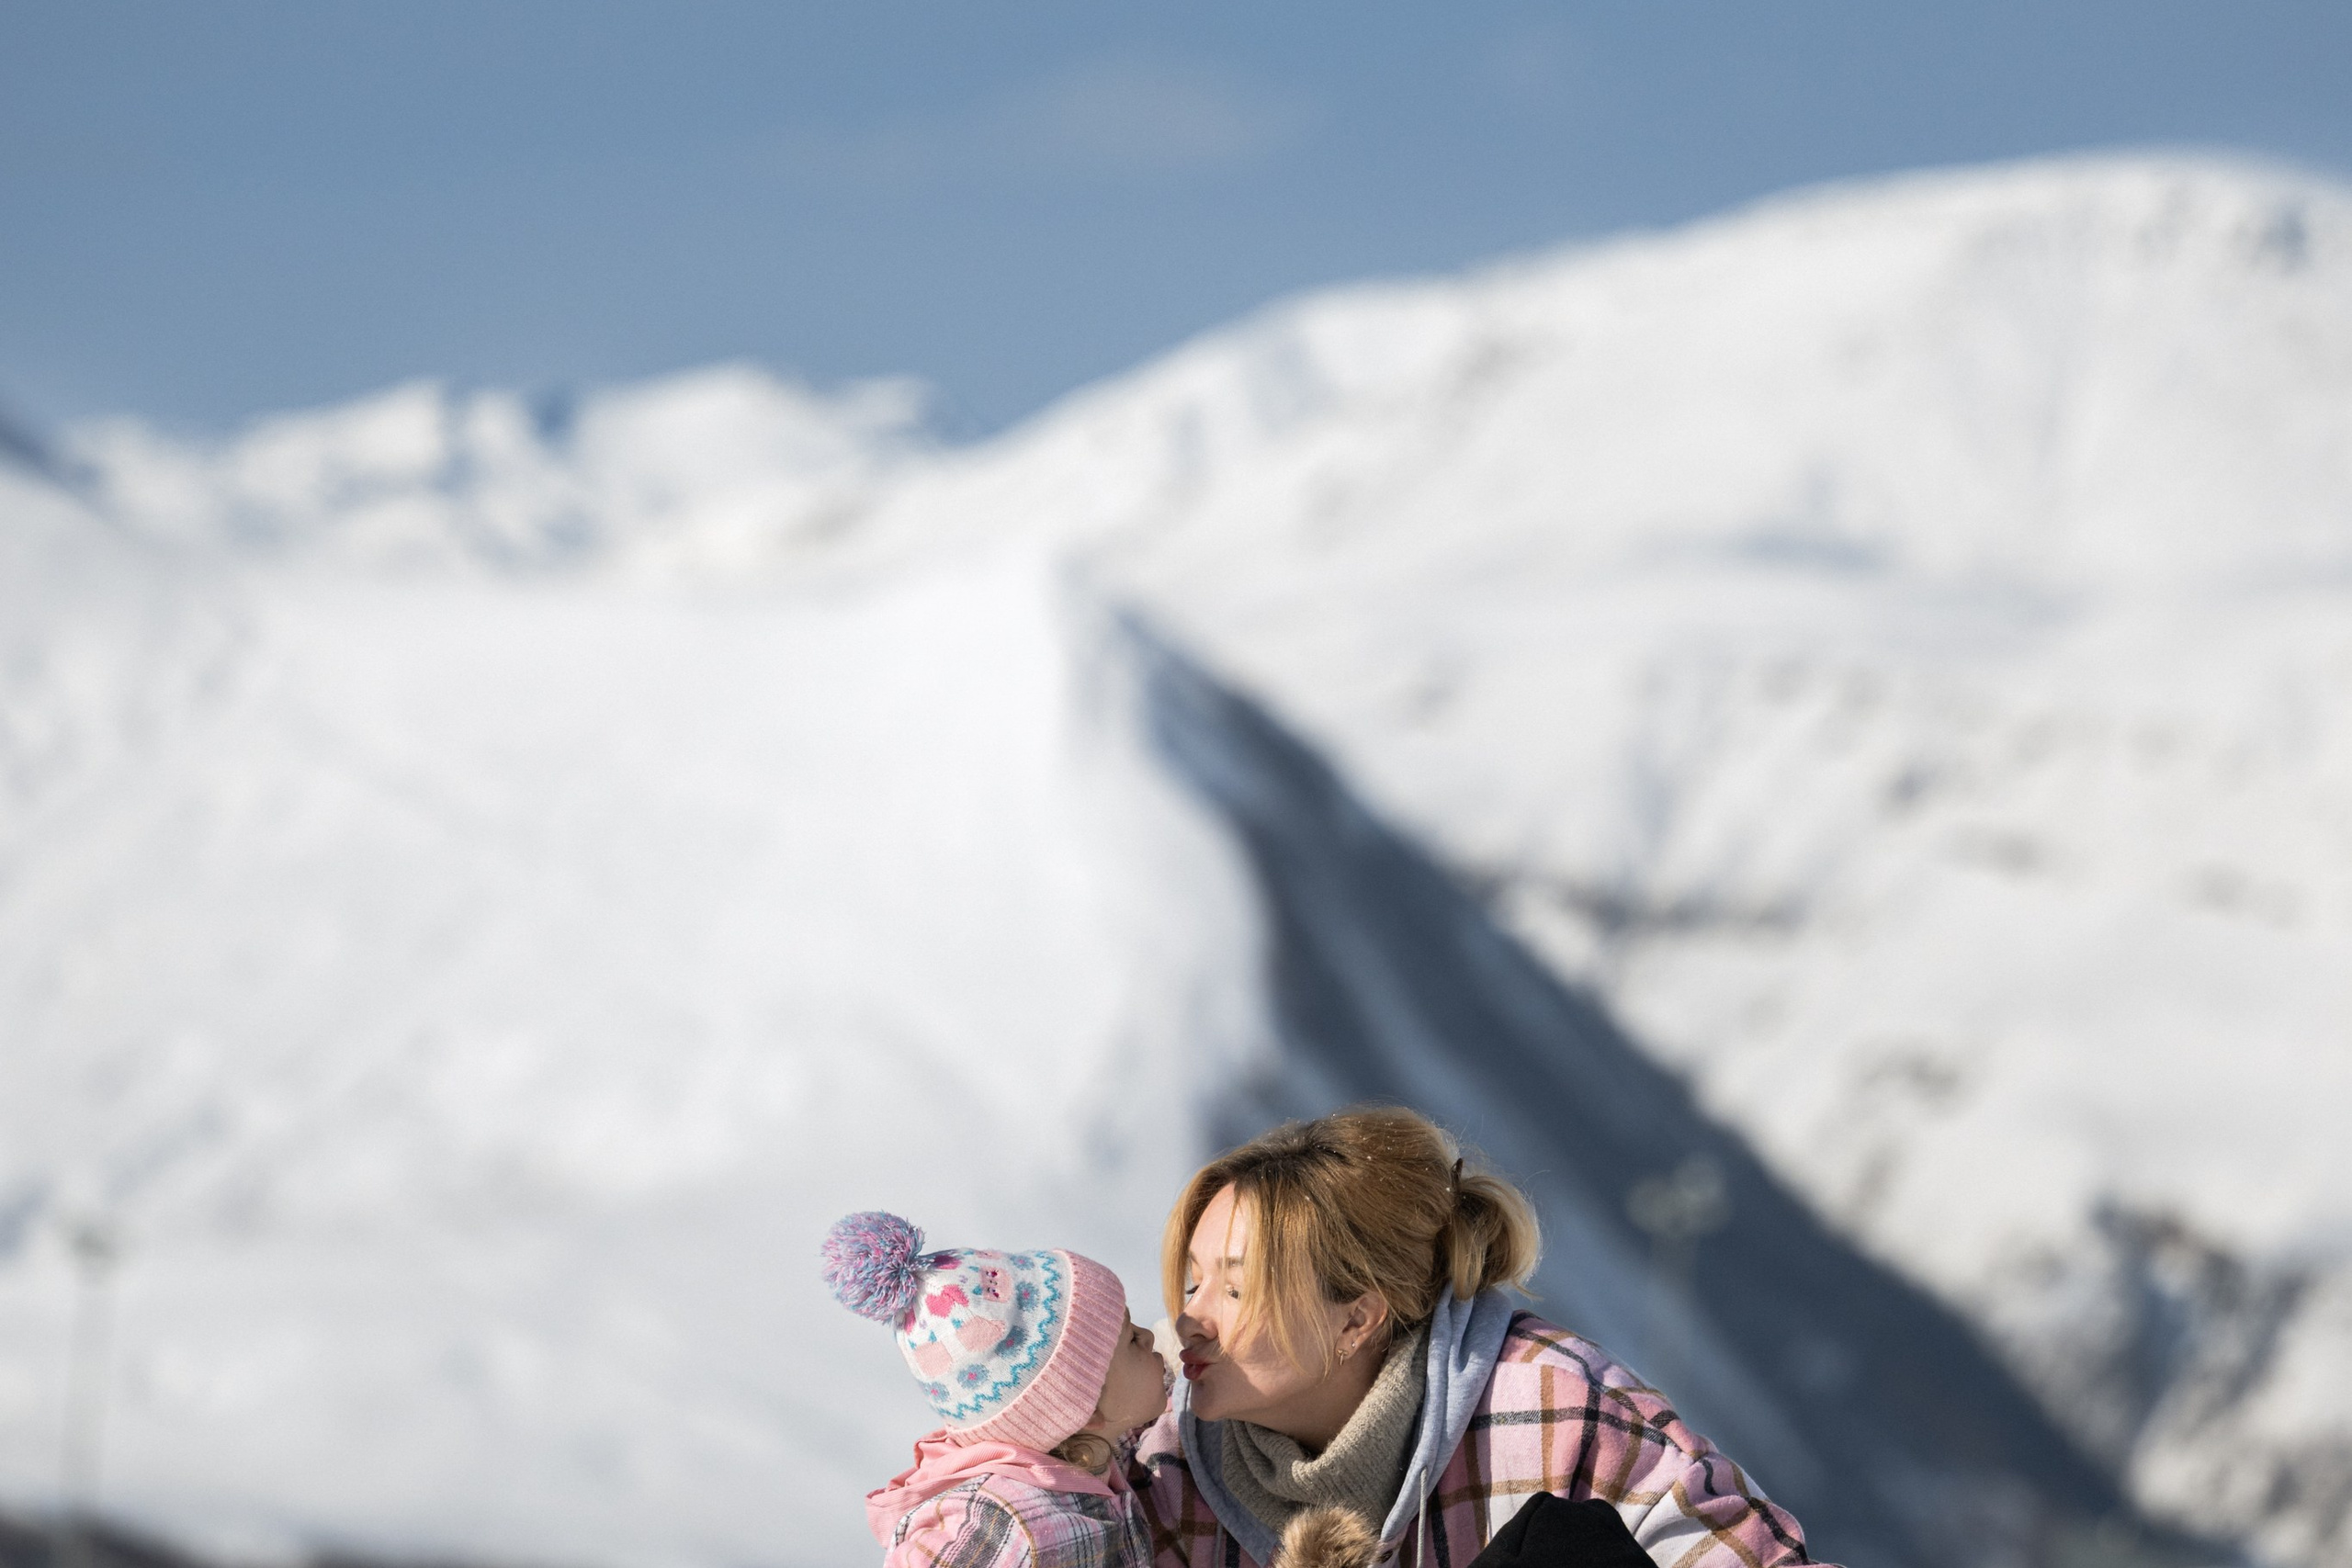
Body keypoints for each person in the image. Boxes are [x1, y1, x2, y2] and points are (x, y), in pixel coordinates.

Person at [1131, 1109, 1826, 1568]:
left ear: (1356, 1318)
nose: (1191, 1316)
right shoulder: (1167, 1455)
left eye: (1235, 1287)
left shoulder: (1552, 1408)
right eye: (1190, 1282)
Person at [825, 1211, 1172, 1568]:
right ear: (1084, 1408)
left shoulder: (1095, 1455)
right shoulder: (1009, 1525)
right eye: (1131, 1339)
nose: (1149, 1337)